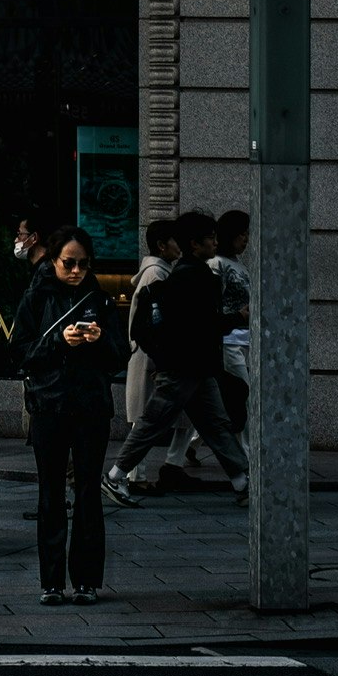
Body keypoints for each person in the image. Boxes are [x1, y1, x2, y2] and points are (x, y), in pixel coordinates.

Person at [13, 224, 127, 605]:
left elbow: (118, 357)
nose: (76, 270)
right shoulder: (37, 296)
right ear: (54, 260)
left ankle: (87, 580)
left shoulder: (101, 298)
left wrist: (98, 341)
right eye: (68, 263)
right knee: (50, 493)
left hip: (91, 405)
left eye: (82, 264)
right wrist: (60, 342)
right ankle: (51, 582)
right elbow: (21, 353)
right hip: (49, 404)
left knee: (88, 493)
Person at [104, 210, 249, 508]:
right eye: (210, 238)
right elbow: (204, 325)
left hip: (193, 367)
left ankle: (243, 482)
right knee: (155, 424)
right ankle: (115, 476)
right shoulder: (196, 278)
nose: (214, 242)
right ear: (195, 244)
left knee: (215, 424)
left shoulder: (182, 274)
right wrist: (238, 317)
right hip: (186, 367)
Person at [122, 219, 181, 492]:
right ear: (162, 245)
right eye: (175, 241)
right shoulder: (157, 274)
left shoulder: (157, 272)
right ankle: (135, 475)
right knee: (144, 420)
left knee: (145, 418)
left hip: (147, 354)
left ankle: (138, 473)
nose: (178, 246)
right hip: (150, 355)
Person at [212, 209, 251, 438]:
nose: (245, 239)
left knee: (225, 396)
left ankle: (190, 446)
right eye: (241, 234)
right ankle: (246, 454)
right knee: (242, 395)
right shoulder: (217, 264)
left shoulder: (238, 264)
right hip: (228, 340)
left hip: (243, 337)